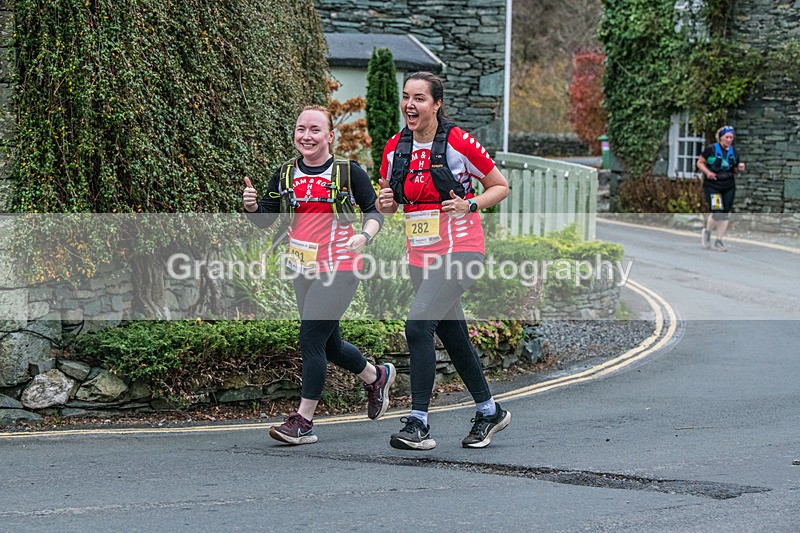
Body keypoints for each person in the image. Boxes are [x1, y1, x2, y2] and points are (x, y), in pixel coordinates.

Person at [243, 105, 394, 445]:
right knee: (329, 344)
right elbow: (265, 218)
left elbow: (374, 211)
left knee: (310, 338)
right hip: (303, 268)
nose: (306, 136)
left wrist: (365, 235)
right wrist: (252, 206)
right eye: (301, 129)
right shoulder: (284, 174)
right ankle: (376, 375)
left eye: (315, 130)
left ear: (330, 136)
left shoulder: (347, 171)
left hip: (341, 265)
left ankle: (304, 421)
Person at [376, 72, 511, 450]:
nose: (410, 105)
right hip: (420, 254)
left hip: (461, 250)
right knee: (453, 336)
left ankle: (419, 422)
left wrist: (470, 204)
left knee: (418, 325)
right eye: (406, 97)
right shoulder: (394, 148)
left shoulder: (458, 142)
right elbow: (388, 200)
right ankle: (490, 411)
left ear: (436, 104)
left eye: (419, 98)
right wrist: (385, 206)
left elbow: (499, 186)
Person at [696, 125, 745, 252]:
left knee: (725, 213)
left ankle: (719, 240)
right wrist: (707, 172)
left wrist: (739, 168)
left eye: (731, 137)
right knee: (717, 212)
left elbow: (733, 170)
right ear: (721, 138)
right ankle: (707, 232)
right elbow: (700, 162)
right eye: (727, 137)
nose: (729, 139)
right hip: (713, 185)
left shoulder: (734, 152)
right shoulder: (711, 149)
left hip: (728, 185)